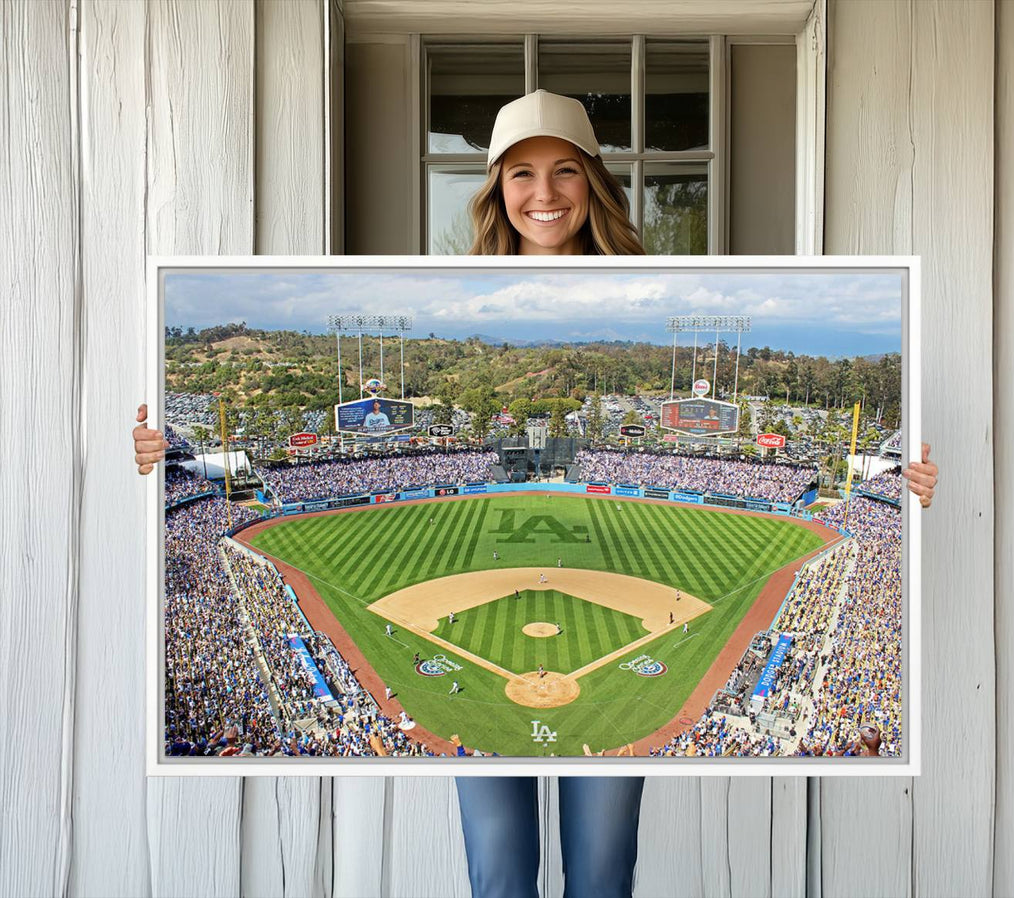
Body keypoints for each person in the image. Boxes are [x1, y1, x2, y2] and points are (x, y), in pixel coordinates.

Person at [131, 88, 939, 898]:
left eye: (563, 172)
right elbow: (158, 460)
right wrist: (158, 454)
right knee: (499, 873)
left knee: (600, 872)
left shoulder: (657, 287)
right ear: (496, 189)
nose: (543, 194)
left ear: (592, 181)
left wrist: (905, 480)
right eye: (521, 174)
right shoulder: (450, 289)